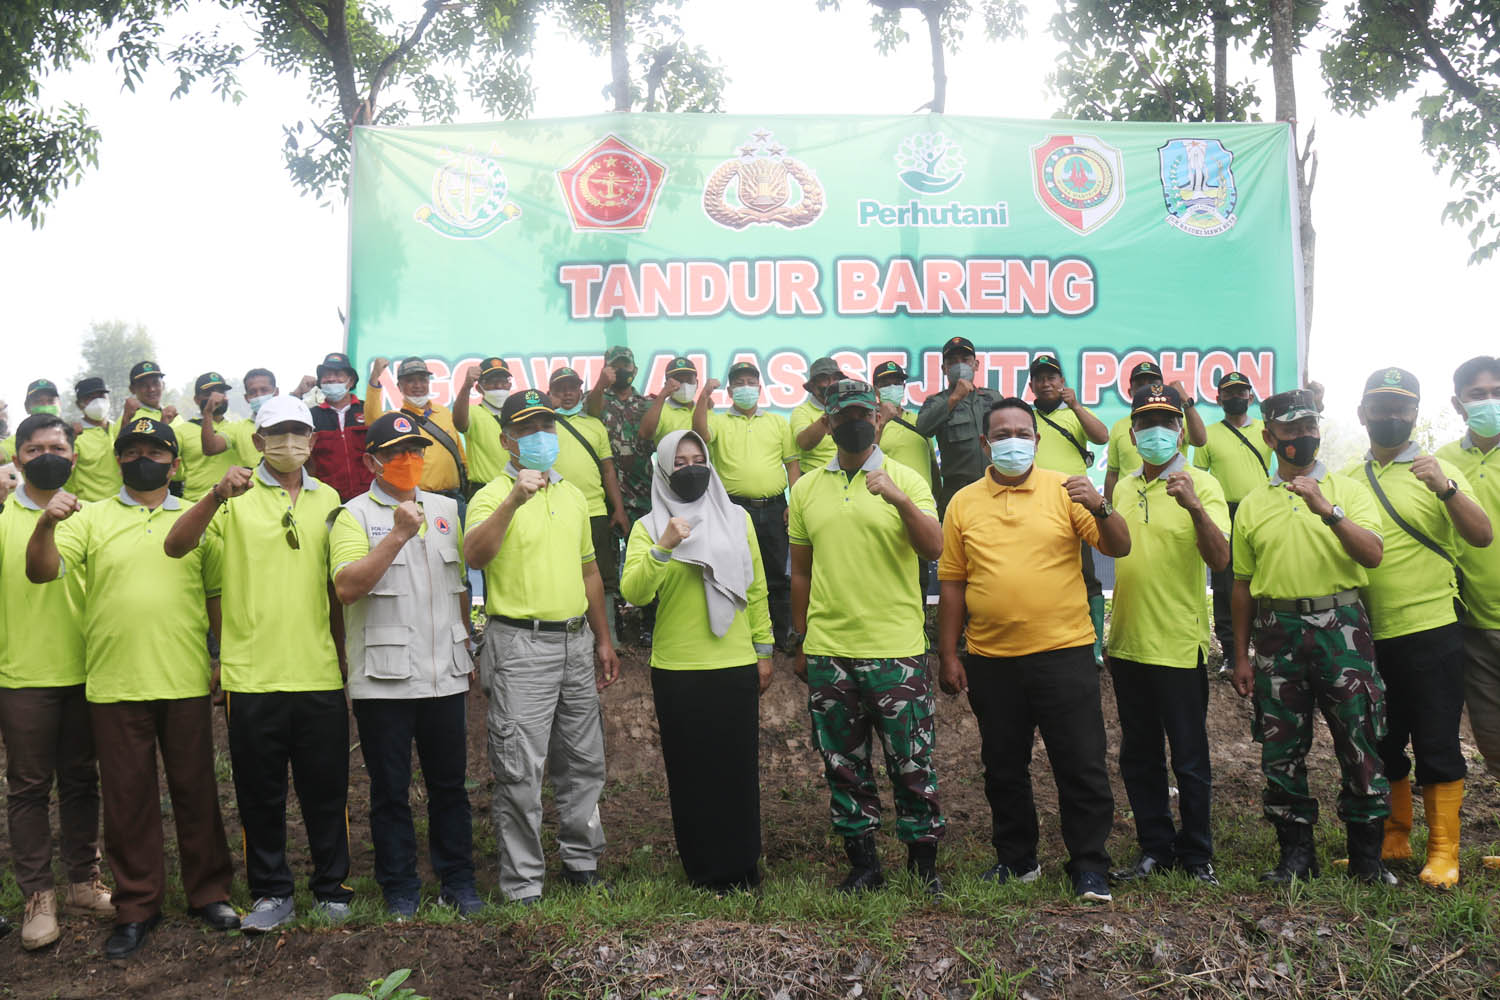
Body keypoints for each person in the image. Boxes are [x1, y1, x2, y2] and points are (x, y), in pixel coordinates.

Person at [26, 416, 235, 959]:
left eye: (156, 451)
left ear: (175, 462)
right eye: (133, 451)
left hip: (185, 675)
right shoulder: (90, 517)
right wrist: (45, 525)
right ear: (118, 459)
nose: (145, 458)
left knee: (196, 790)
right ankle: (137, 906)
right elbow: (43, 572)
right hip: (115, 681)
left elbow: (215, 593)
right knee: (127, 800)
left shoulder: (201, 518)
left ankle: (209, 892)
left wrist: (220, 657)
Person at [163, 395, 352, 932]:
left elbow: (334, 589)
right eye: (277, 432)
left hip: (317, 670)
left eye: (299, 432)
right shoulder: (232, 499)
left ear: (313, 442)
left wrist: (343, 664)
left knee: (327, 788)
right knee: (259, 791)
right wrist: (216, 496)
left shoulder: (331, 499)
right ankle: (271, 891)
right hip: (251, 675)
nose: (288, 442)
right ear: (258, 440)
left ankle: (331, 886)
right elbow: (177, 547)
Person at [936, 397, 1131, 903]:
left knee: (1081, 762)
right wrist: (950, 653)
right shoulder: (962, 502)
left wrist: (1101, 504)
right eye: (1002, 434)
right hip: (990, 658)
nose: (1013, 441)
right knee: (1003, 764)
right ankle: (1017, 860)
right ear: (985, 443)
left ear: (1038, 441)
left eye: (1023, 433)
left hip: (1063, 652)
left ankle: (1089, 865)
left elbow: (1118, 547)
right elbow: (953, 583)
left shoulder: (1067, 490)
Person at [1228, 389, 1393, 884]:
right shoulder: (1255, 503)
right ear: (1269, 436)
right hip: (1277, 633)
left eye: (1310, 426)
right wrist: (1240, 655)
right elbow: (1240, 585)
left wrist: (1328, 508)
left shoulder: (1349, 487)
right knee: (1281, 748)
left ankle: (1367, 859)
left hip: (1342, 628)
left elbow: (1372, 555)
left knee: (1359, 739)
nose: (1303, 436)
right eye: (1291, 429)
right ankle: (1296, 856)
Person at [787, 380, 946, 894]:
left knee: (912, 762)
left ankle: (923, 868)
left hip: (895, 649)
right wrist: (803, 638)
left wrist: (900, 500)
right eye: (843, 415)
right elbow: (801, 575)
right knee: (844, 765)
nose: (854, 422)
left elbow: (934, 548)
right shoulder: (807, 489)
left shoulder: (908, 479)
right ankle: (864, 866)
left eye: (863, 413)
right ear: (829, 423)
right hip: (831, 652)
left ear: (878, 418)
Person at [465, 389, 620, 903]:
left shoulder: (573, 495)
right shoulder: (490, 497)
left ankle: (581, 860)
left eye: (547, 428)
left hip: (575, 641)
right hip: (519, 646)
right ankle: (524, 881)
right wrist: (514, 499)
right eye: (528, 430)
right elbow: (475, 555)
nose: (540, 438)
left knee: (582, 760)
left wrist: (603, 638)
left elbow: (590, 571)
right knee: (519, 768)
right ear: (507, 439)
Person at [1341, 368, 1490, 888]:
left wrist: (1446, 489)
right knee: (1383, 742)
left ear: (1416, 414)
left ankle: (1444, 852)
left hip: (1432, 631)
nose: (1391, 415)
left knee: (1437, 743)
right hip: (1366, 636)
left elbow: (1481, 535)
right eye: (1380, 406)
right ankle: (1395, 836)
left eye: (1402, 407)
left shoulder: (1439, 469)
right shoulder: (1347, 479)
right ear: (1363, 414)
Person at [329, 412, 481, 917]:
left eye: (415, 451)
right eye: (395, 454)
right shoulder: (352, 516)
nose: (407, 461)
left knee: (450, 787)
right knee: (390, 791)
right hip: (384, 679)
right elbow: (348, 588)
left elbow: (458, 586)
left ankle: (458, 881)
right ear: (371, 461)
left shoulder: (445, 509)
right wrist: (394, 536)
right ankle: (400, 889)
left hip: (446, 672)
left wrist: (466, 649)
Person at [620, 429, 773, 892]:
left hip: (734, 663)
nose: (691, 469)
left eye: (697, 459)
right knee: (690, 772)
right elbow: (634, 592)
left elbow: (757, 587)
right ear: (664, 470)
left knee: (737, 770)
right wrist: (663, 546)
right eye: (680, 462)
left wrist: (763, 650)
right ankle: (704, 871)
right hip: (678, 669)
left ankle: (744, 868)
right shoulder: (647, 526)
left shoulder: (737, 518)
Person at [1105, 384, 1230, 887]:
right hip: (1127, 642)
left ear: (1180, 430)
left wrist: (1196, 507)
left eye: (1166, 422)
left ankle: (1198, 854)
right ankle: (1154, 847)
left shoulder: (1204, 484)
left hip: (1179, 643)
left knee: (1190, 756)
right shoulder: (1121, 488)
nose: (1156, 431)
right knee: (1139, 755)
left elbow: (1220, 560)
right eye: (1145, 424)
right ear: (1132, 435)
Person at [0, 415, 112, 951]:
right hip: (21, 674)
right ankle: (37, 896)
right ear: (18, 456)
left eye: (58, 447)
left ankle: (82, 883)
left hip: (87, 670)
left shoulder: (90, 516)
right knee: (27, 788)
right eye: (36, 447)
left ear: (73, 456)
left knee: (82, 780)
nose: (48, 454)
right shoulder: (1, 515)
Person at [1438, 355, 1500, 870]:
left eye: (1497, 391)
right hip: (1476, 623)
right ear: (1458, 404)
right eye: (1478, 395)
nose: (1489, 402)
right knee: (1492, 737)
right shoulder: (1441, 463)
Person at [693, 360, 800, 649]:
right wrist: (703, 397)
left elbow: (792, 465)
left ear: (760, 388)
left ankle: (781, 636)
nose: (745, 388)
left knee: (777, 573)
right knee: (735, 571)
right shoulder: (718, 420)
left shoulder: (778, 422)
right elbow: (700, 433)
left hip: (776, 507)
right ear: (729, 390)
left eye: (751, 382)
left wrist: (794, 503)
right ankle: (740, 635)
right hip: (734, 509)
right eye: (739, 383)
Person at [1028, 354, 1113, 665]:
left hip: (1075, 505)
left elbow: (1102, 436)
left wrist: (1076, 406)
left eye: (1052, 377)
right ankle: (1043, 636)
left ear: (1062, 382)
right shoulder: (1027, 416)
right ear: (1032, 385)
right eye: (1040, 378)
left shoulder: (1076, 413)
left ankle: (1093, 645)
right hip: (1034, 505)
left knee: (1086, 574)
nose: (1046, 383)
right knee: (1037, 572)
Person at [1193, 371, 1274, 671]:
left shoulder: (1267, 430)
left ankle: (1266, 645)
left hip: (1264, 509)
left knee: (1267, 575)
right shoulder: (1208, 435)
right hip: (1225, 512)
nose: (1236, 397)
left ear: (1251, 397)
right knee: (1226, 582)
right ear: (1219, 399)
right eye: (1229, 393)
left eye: (1241, 392)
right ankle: (1230, 651)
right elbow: (1201, 476)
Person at [550, 366, 630, 645]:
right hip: (555, 510)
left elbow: (608, 471)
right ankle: (571, 636)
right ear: (550, 394)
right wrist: (549, 410)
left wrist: (617, 508)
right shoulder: (543, 425)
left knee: (604, 576)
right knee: (561, 572)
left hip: (594, 511)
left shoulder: (595, 425)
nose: (567, 394)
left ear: (581, 391)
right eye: (560, 389)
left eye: (572, 388)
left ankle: (607, 637)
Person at [587, 347, 659, 643]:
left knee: (646, 560)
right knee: (606, 566)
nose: (622, 370)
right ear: (607, 369)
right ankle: (612, 626)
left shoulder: (646, 404)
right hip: (606, 498)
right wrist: (600, 384)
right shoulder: (597, 401)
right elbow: (589, 411)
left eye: (626, 365)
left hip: (643, 496)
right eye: (615, 366)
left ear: (635, 369)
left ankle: (649, 624)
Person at [916, 337, 1002, 513]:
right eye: (952, 362)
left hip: (996, 487)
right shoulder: (937, 401)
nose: (959, 365)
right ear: (944, 369)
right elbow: (923, 428)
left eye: (965, 360)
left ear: (976, 365)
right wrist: (954, 398)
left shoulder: (993, 398)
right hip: (957, 490)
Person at [1103, 361, 1204, 506]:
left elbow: (1200, 440)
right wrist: (1108, 510)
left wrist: (1186, 402)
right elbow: (1112, 473)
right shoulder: (1119, 427)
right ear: (1130, 392)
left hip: (1175, 498)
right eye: (1140, 384)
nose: (1147, 387)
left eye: (1153, 382)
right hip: (1132, 500)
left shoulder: (1177, 422)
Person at [368, 356, 469, 501]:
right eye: (410, 380)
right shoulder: (396, 419)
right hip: (419, 497)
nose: (418, 385)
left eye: (423, 379)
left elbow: (459, 453)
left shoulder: (444, 412)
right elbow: (373, 421)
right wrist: (374, 378)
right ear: (399, 386)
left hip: (455, 497)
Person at [298, 352, 372, 502]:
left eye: (338, 374)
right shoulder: (310, 416)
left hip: (369, 497)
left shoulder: (368, 411)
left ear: (351, 381)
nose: (331, 378)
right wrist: (298, 393)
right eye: (326, 375)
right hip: (326, 499)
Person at [177, 372, 256, 503]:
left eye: (221, 392)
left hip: (234, 503)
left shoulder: (237, 428)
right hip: (196, 504)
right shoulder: (181, 431)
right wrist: (208, 412)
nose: (217, 397)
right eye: (209, 393)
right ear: (196, 399)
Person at [454, 356, 514, 491]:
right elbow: (459, 423)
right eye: (492, 382)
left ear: (509, 385)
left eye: (503, 381)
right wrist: (466, 386)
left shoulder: (516, 413)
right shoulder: (473, 412)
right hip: (484, 488)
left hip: (516, 487)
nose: (499, 386)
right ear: (479, 388)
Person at [67, 377, 123, 501]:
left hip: (123, 504)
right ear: (79, 404)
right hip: (90, 509)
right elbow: (65, 477)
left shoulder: (118, 429)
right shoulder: (74, 436)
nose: (97, 402)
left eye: (101, 396)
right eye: (90, 398)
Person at [790, 356, 844, 475]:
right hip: (815, 479)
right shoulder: (801, 411)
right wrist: (830, 411)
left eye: (836, 378)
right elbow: (804, 443)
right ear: (813, 386)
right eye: (825, 379)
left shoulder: (848, 409)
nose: (832, 384)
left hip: (847, 478)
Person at [639, 355, 699, 444]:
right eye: (679, 380)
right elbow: (645, 434)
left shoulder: (703, 410)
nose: (685, 385)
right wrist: (662, 395)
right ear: (666, 384)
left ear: (697, 383)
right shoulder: (660, 411)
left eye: (689, 380)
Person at [0, 379, 63, 462]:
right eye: (38, 401)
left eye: (50, 401)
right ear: (27, 407)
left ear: (60, 404)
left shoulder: (75, 436)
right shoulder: (19, 440)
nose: (45, 405)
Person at [114, 361, 177, 433]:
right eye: (143, 384)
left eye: (155, 382)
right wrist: (163, 424)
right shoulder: (127, 420)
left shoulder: (174, 416)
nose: (151, 389)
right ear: (132, 389)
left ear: (163, 385)